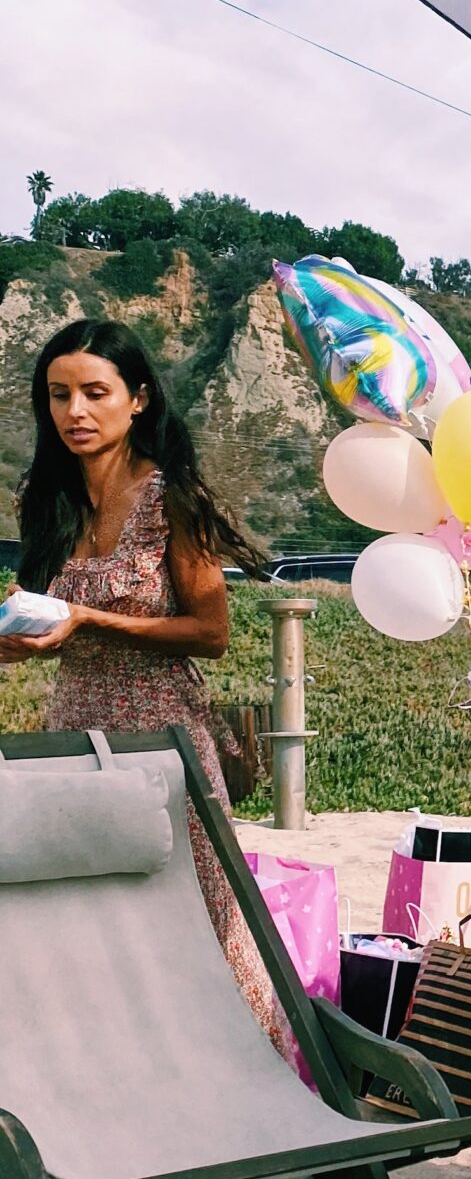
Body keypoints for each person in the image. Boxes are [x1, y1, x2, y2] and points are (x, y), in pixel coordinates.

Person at [0, 318, 292, 1057]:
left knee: (201, 917)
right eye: (59, 394)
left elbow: (211, 635)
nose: (75, 411)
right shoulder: (49, 500)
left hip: (165, 742)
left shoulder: (172, 501)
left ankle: (244, 1095)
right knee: (96, 921)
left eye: (95, 393)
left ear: (137, 399)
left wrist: (88, 619)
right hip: (71, 739)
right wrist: (14, 642)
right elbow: (43, 618)